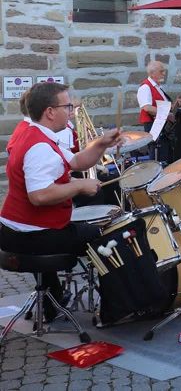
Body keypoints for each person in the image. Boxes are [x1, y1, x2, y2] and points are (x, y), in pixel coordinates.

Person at [0, 82, 123, 319]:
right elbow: (39, 196)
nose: (70, 111)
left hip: (19, 230)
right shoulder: (39, 146)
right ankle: (114, 309)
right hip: (30, 236)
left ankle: (53, 301)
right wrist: (78, 186)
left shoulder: (36, 133)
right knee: (110, 236)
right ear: (50, 111)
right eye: (67, 107)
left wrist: (101, 143)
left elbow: (76, 162)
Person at [136, 60, 175, 162]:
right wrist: (167, 114)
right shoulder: (145, 87)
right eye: (161, 71)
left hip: (161, 125)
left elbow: (161, 106)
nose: (164, 74)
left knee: (165, 155)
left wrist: (174, 106)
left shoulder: (157, 87)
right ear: (152, 73)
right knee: (158, 155)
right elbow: (147, 107)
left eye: (164, 71)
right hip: (153, 125)